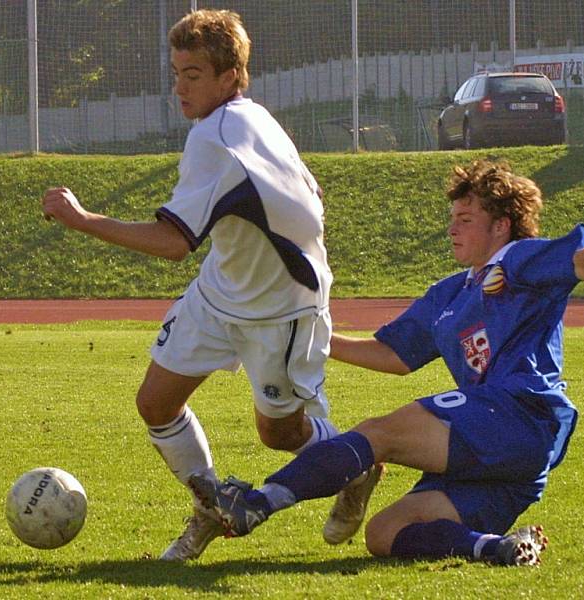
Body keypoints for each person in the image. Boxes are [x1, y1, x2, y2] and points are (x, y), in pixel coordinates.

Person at [190, 160, 584, 566]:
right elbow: (393, 355)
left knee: (380, 433)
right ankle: (495, 548)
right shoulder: (451, 293)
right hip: (506, 449)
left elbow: (578, 260)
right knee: (385, 533)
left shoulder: (516, 259)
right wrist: (314, 336)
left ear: (500, 225)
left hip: (521, 412)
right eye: (453, 218)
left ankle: (257, 503)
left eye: (465, 218)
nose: (452, 228)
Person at [41, 9, 380, 561]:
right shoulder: (252, 117)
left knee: (281, 435)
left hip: (282, 311)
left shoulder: (217, 137)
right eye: (176, 72)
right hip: (221, 291)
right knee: (155, 402)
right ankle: (212, 503)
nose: (179, 87)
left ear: (230, 77)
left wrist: (83, 220)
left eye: (193, 74)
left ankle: (358, 463)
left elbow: (173, 243)